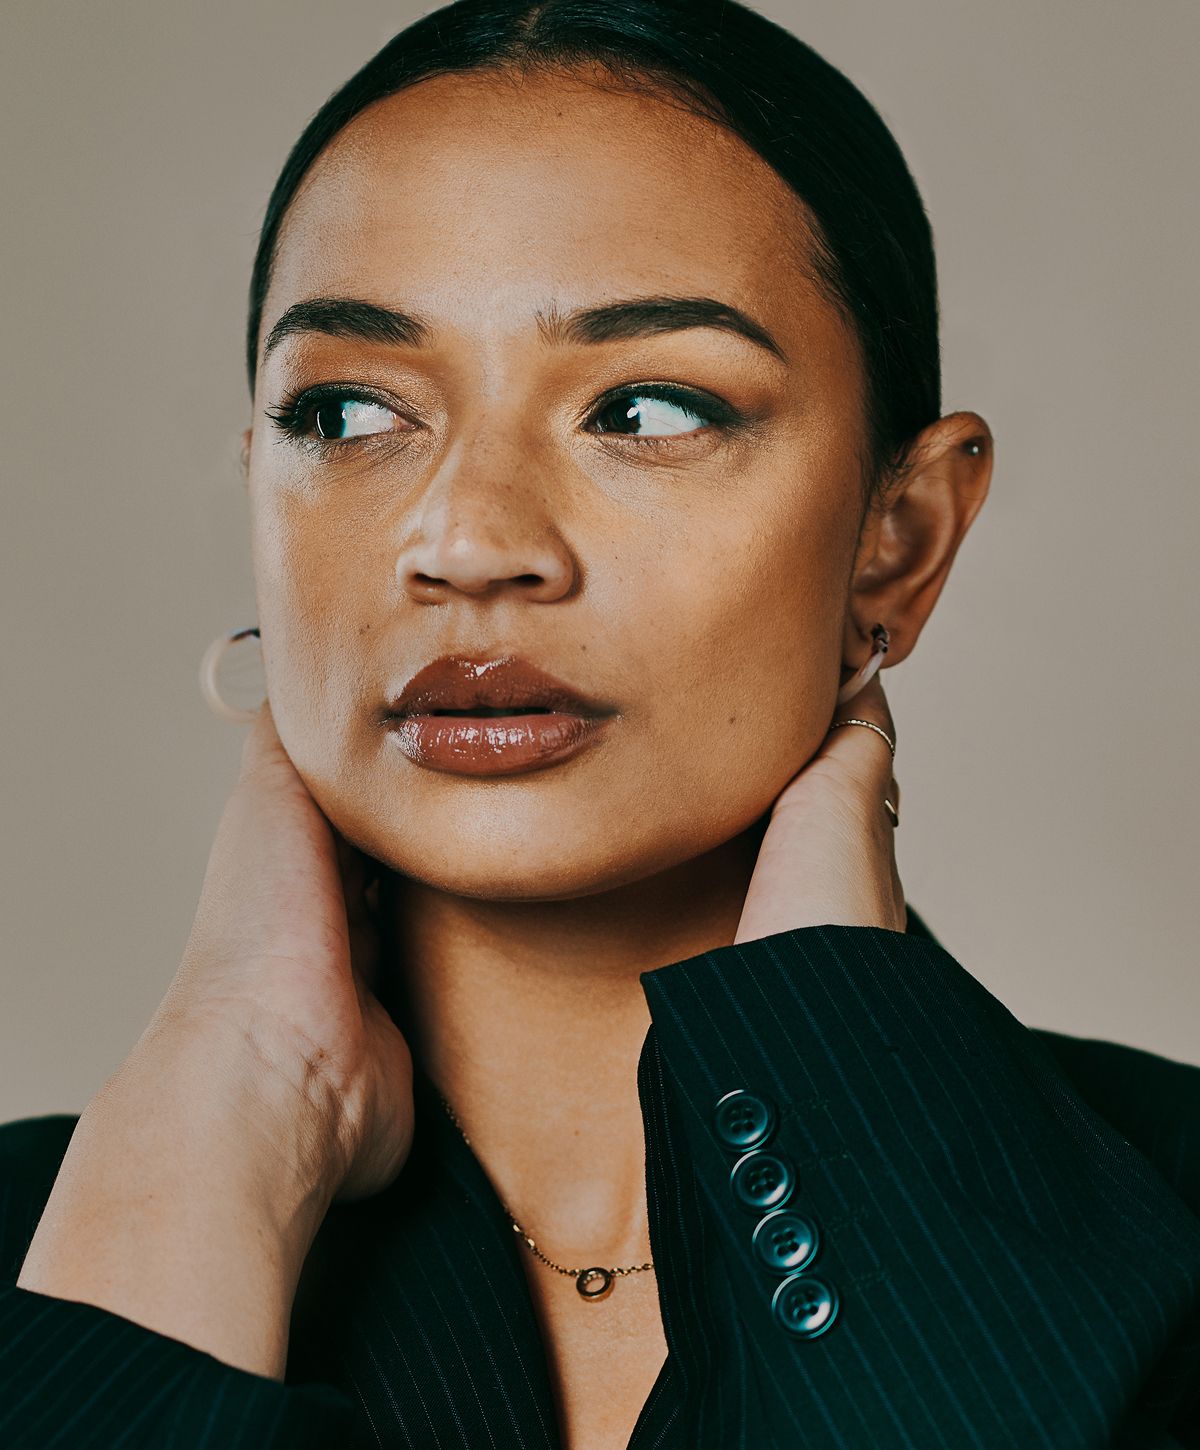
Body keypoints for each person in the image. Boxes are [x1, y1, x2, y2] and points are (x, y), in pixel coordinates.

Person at [2, 0, 1198, 1445]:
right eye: (350, 413)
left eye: (642, 407)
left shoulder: (1167, 1226)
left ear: (901, 532)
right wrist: (228, 1121)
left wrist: (836, 1058)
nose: (467, 541)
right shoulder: (51, 1265)